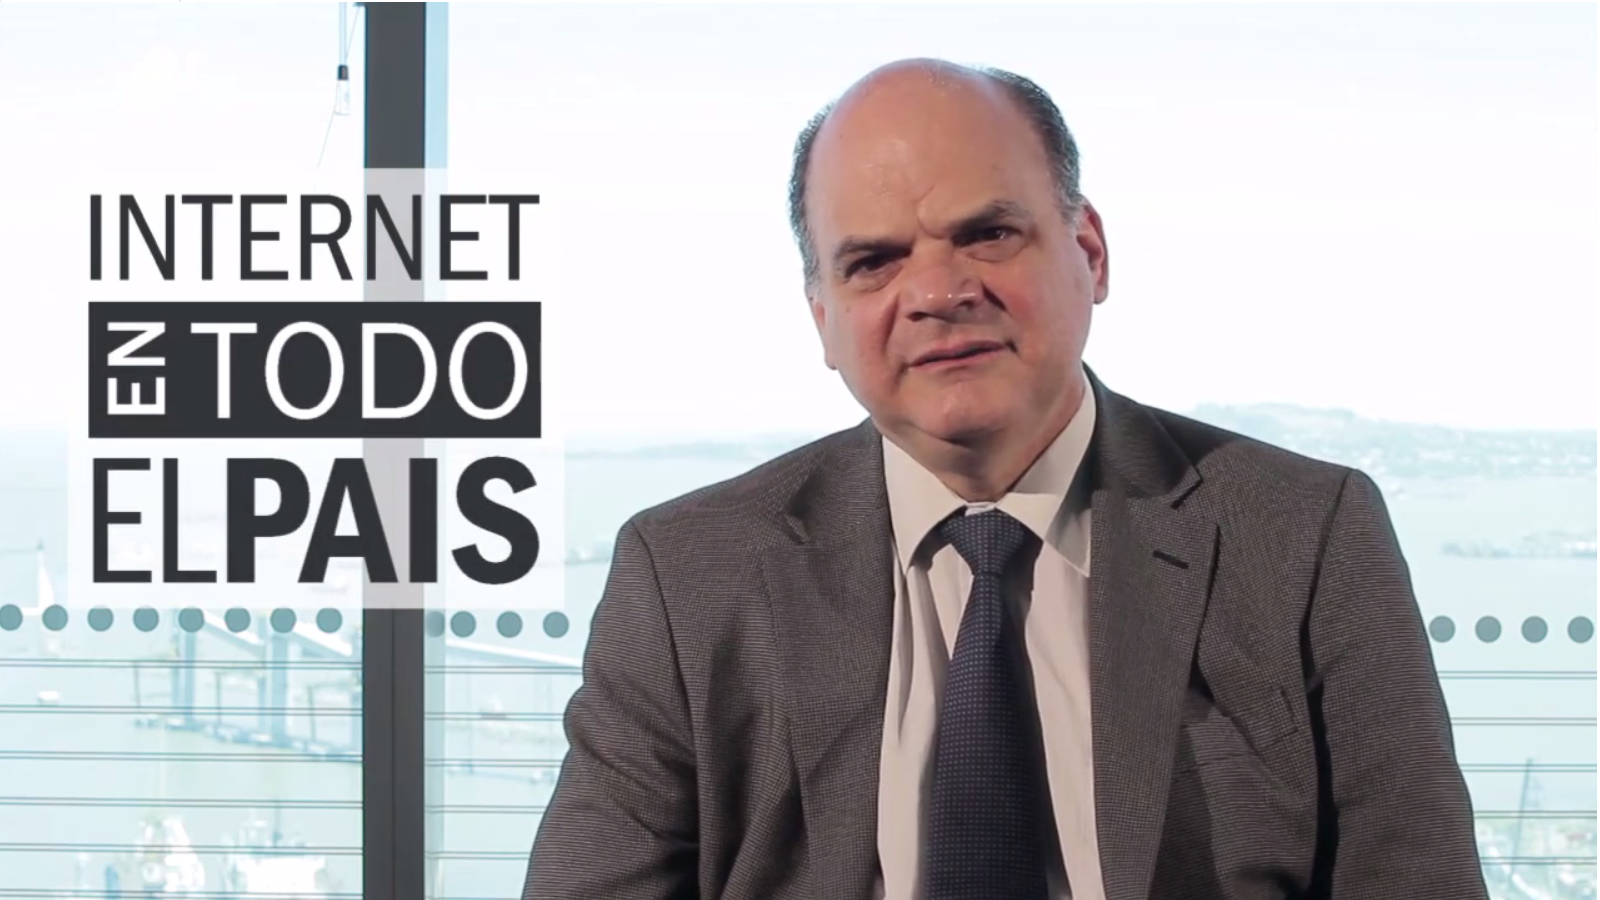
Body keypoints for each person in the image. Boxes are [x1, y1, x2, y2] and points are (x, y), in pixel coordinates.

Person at [523, 58, 1489, 900]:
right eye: (874, 261)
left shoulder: (1304, 536)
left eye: (987, 234)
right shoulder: (689, 578)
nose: (938, 293)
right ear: (823, 317)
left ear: (1090, 253)